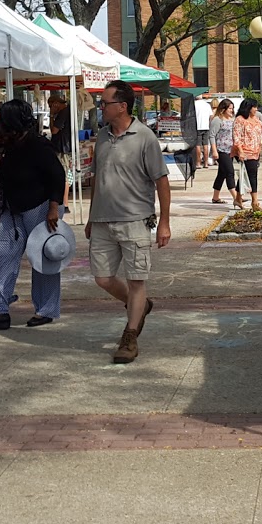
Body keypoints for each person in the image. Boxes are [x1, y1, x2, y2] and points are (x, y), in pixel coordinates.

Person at [85, 80, 170, 364]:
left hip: (135, 220)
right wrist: (90, 216)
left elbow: (161, 181)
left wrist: (165, 222)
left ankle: (130, 336)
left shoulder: (145, 138)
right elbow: (97, 178)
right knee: (103, 278)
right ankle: (140, 306)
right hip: (101, 220)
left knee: (137, 280)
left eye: (105, 103)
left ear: (122, 106)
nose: (101, 108)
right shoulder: (102, 137)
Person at [0, 100, 66, 330]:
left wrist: (54, 208)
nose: (0, 126)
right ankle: (0, 310)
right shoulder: (13, 144)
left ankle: (45, 309)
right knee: (2, 255)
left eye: (3, 121)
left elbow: (57, 175)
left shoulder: (38, 145)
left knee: (44, 259)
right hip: (14, 209)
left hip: (41, 207)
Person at [232, 98, 262, 210]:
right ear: (248, 108)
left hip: (255, 151)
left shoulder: (255, 119)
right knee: (252, 175)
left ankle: (238, 199)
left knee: (244, 175)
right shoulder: (239, 120)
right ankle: (254, 202)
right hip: (245, 152)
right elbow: (236, 137)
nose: (256, 109)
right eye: (254, 107)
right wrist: (240, 151)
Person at [208, 99, 241, 206]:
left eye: (232, 108)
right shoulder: (217, 120)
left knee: (221, 174)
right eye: (230, 108)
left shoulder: (233, 119)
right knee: (229, 172)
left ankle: (215, 197)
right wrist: (214, 151)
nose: (232, 110)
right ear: (223, 109)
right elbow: (212, 135)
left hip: (231, 150)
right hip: (221, 150)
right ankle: (236, 197)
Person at [47, 92, 74, 210]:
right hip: (64, 146)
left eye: (50, 106)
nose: (50, 108)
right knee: (64, 174)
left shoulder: (63, 113)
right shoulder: (67, 111)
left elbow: (54, 130)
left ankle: (64, 203)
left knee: (63, 175)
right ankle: (64, 202)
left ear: (56, 104)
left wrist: (52, 115)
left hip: (62, 147)